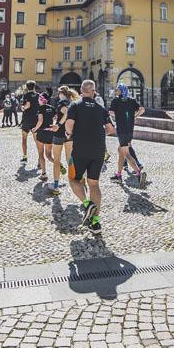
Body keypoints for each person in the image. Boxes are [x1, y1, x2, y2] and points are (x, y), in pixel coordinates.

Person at [65, 80, 116, 235]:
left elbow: (69, 126)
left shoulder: (75, 105)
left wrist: (69, 133)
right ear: (94, 91)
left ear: (81, 91)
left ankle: (87, 204)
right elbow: (111, 129)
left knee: (73, 179)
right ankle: (95, 223)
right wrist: (97, 134)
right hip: (98, 150)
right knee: (94, 184)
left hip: (80, 149)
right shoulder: (101, 108)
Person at [109, 84, 147, 185]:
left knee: (125, 152)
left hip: (121, 129)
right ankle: (118, 175)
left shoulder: (116, 100)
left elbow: (111, 112)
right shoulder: (132, 100)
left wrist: (118, 115)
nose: (116, 91)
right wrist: (135, 116)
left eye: (117, 89)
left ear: (121, 90)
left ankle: (139, 173)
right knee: (121, 150)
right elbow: (142, 109)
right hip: (130, 130)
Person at [47, 86, 74, 194]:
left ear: (61, 94)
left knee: (57, 160)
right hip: (69, 133)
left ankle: (56, 186)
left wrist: (58, 124)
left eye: (59, 94)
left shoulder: (62, 102)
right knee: (69, 159)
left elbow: (66, 113)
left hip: (59, 133)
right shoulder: (71, 102)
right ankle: (77, 180)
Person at [32, 93, 55, 182]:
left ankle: (44, 174)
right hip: (50, 132)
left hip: (41, 132)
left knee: (41, 154)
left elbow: (40, 121)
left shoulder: (40, 108)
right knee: (49, 155)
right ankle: (59, 165)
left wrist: (35, 129)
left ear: (41, 100)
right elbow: (55, 118)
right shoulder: (52, 108)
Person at [19, 81, 39, 165]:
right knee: (37, 140)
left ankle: (24, 157)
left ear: (27, 87)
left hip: (27, 119)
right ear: (34, 87)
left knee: (24, 139)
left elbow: (27, 105)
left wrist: (23, 108)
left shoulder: (26, 95)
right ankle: (40, 159)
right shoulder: (38, 95)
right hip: (36, 119)